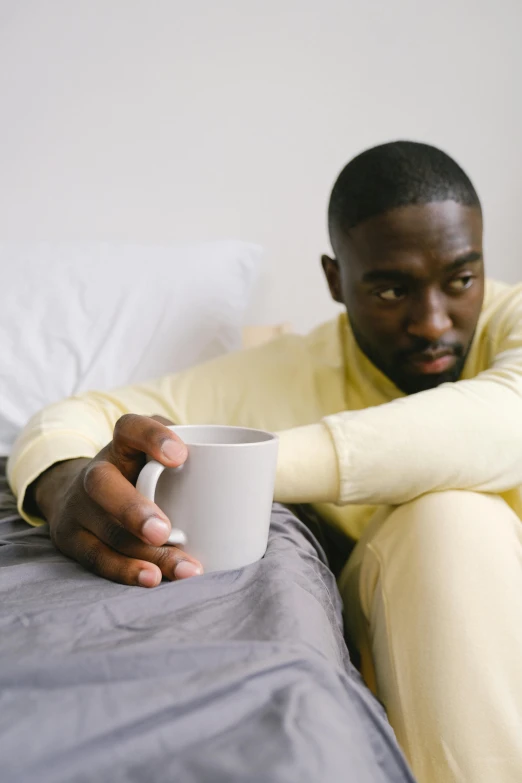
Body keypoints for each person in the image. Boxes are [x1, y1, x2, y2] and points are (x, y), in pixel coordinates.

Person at [8, 140, 522, 783]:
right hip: (421, 613)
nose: (433, 321)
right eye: (391, 290)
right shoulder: (281, 375)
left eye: (461, 280)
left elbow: (508, 418)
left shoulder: (513, 319)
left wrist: (231, 469)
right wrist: (62, 484)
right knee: (449, 517)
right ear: (336, 280)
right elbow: (71, 417)